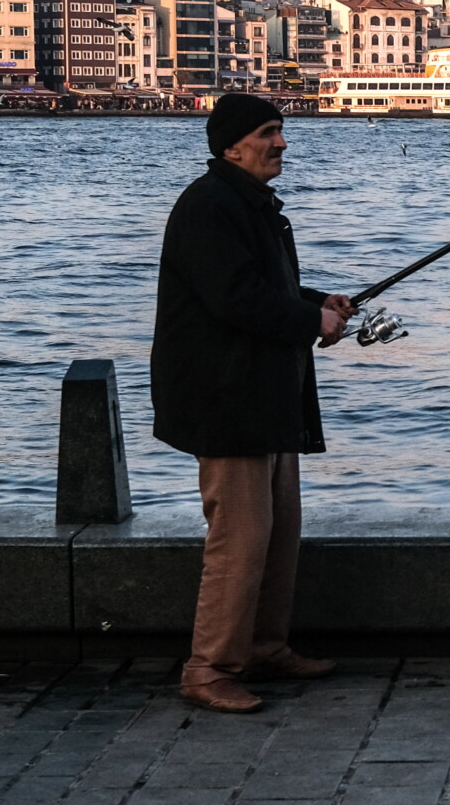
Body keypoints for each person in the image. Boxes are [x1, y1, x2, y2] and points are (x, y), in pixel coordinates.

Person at [151, 93, 356, 713]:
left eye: (282, 131)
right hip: (228, 398)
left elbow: (268, 288)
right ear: (231, 146)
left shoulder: (250, 204)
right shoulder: (209, 207)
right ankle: (208, 669)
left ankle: (264, 648)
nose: (282, 143)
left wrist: (320, 303)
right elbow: (234, 297)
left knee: (278, 533)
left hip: (266, 395)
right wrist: (308, 321)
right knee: (239, 541)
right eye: (269, 133)